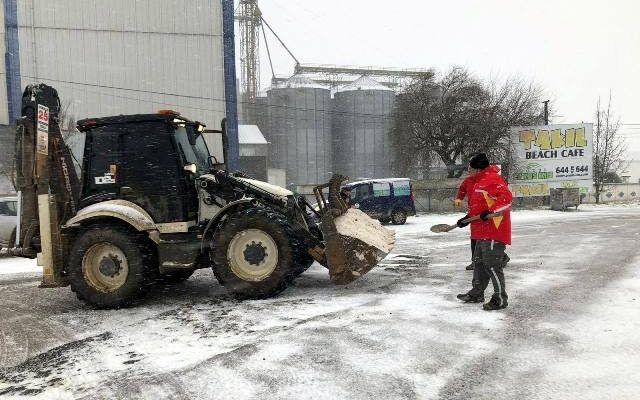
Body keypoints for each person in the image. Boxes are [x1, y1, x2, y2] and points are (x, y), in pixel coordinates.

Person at [456, 153, 513, 311]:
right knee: (479, 263)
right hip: (482, 231)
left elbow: (506, 198)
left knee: (493, 265)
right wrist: (466, 219)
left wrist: (491, 211)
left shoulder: (493, 179)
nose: (468, 171)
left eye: (470, 168)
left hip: (495, 229)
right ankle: (477, 293)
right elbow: (479, 208)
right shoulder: (478, 182)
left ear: (478, 168)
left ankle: (500, 298)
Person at [454, 168, 480, 271]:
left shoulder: (484, 181)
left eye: (474, 170)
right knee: (475, 238)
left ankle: (502, 257)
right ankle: (475, 261)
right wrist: (458, 199)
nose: (471, 172)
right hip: (473, 211)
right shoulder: (468, 181)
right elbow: (462, 190)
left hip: (485, 213)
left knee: (486, 239)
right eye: (470, 170)